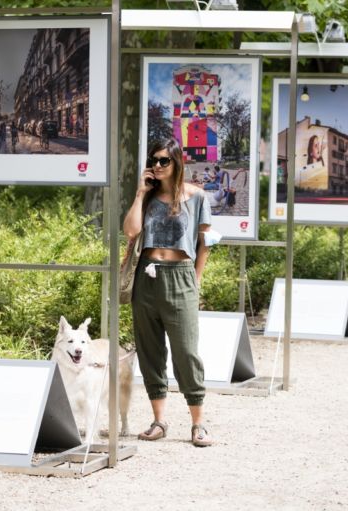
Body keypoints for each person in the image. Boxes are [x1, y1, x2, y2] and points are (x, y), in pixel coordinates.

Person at [122, 137, 214, 447]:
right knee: (150, 351)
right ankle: (159, 420)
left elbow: (205, 244)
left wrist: (195, 280)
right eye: (154, 160)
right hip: (147, 276)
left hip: (181, 276)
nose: (158, 166)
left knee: (186, 352)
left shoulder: (198, 197)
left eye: (164, 161)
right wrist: (139, 193)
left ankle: (198, 423)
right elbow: (131, 231)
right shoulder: (147, 198)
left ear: (177, 163)